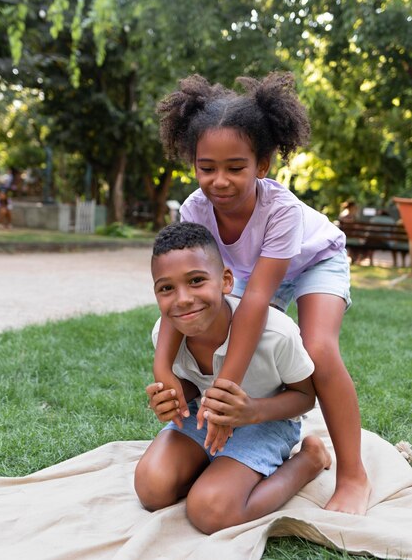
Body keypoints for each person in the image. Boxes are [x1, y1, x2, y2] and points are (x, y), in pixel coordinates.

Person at [153, 71, 370, 515]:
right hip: (248, 274)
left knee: (319, 349)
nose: (219, 181)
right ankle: (232, 445)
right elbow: (184, 295)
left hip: (313, 263)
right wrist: (164, 370)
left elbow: (255, 301)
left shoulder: (281, 211)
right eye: (206, 167)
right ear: (192, 162)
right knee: (226, 333)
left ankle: (352, 474)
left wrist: (226, 389)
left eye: (236, 168)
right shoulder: (196, 209)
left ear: (263, 166)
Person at [135, 222, 331, 533]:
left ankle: (310, 459)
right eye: (166, 288)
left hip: (265, 420)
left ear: (226, 281)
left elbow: (305, 397)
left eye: (196, 280)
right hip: (205, 417)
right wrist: (173, 400)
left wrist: (253, 411)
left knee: (210, 513)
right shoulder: (165, 332)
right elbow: (193, 384)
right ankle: (217, 468)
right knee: (152, 489)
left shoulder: (275, 334)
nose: (183, 299)